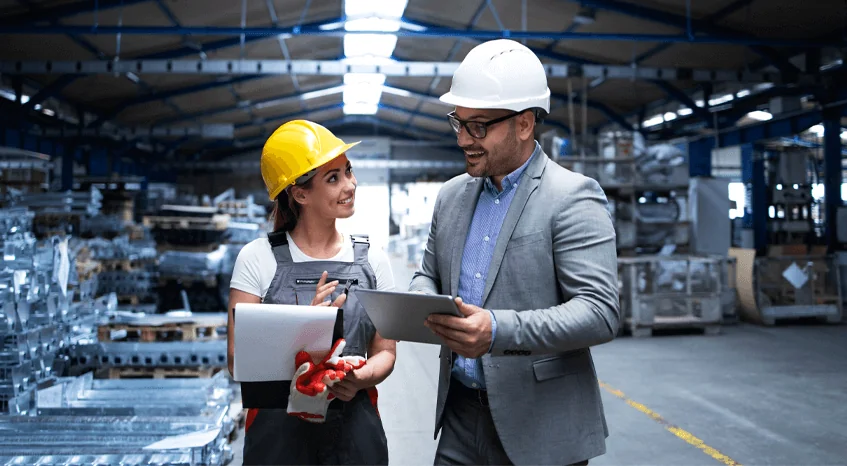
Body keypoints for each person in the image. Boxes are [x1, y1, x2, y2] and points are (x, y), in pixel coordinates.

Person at [409, 39, 620, 466]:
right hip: (460, 417)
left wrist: (498, 331)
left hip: (540, 424)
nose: (464, 140)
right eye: (459, 123)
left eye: (479, 127)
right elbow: (427, 272)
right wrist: (421, 302)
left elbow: (600, 311)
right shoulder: (451, 197)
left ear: (524, 124)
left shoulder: (572, 197)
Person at [227, 119, 397, 465]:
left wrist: (361, 377)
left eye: (348, 171)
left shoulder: (372, 260)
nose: (350, 185)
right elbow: (236, 362)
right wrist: (306, 329)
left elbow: (386, 352)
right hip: (279, 436)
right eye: (332, 178)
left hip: (354, 430)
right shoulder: (257, 258)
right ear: (300, 193)